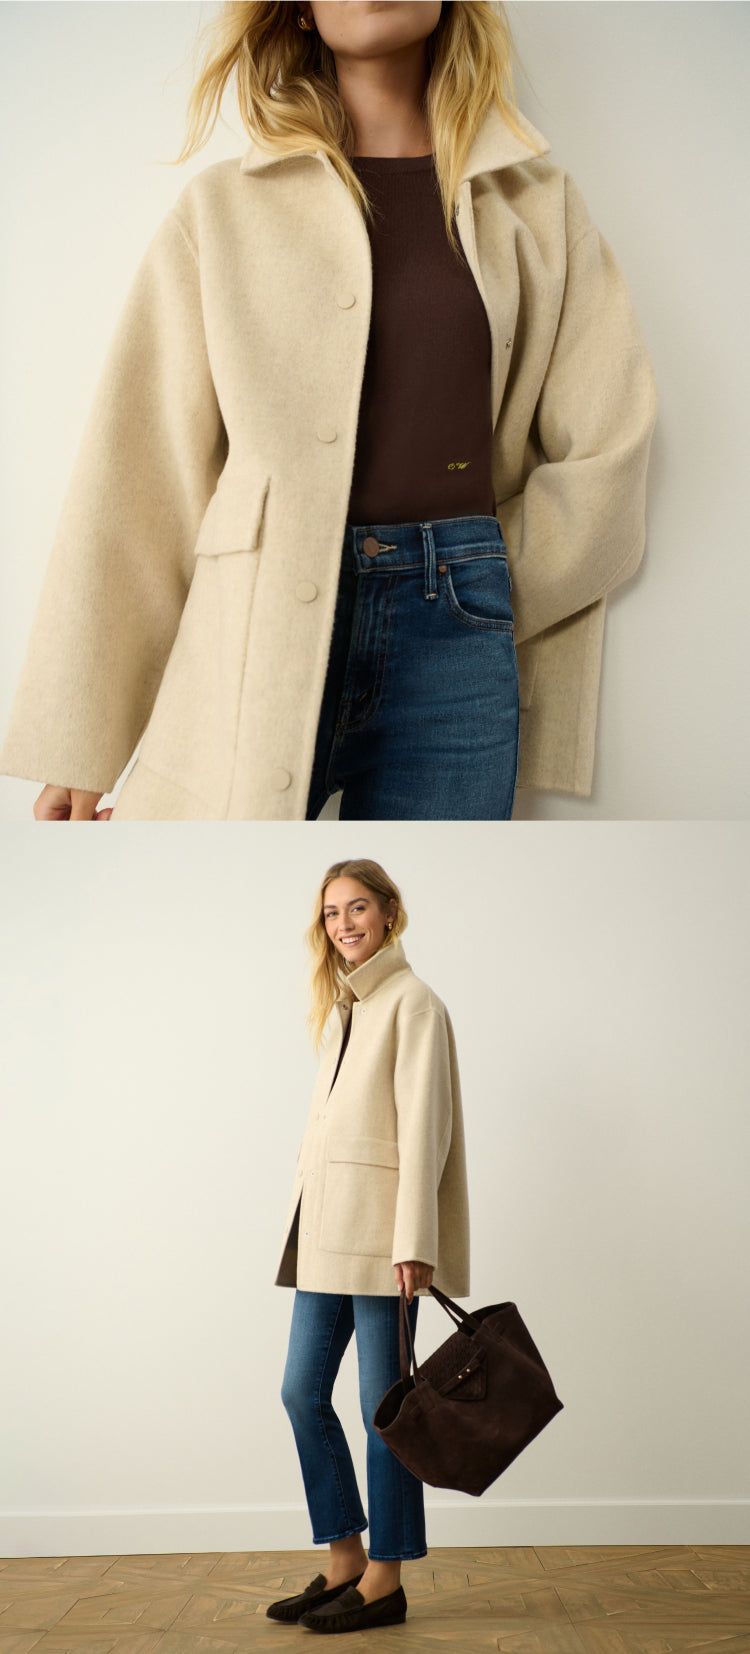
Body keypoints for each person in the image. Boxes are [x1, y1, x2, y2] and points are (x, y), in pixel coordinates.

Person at [0, 2, 657, 820]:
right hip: (261, 618)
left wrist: (483, 578)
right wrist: (82, 741)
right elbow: (137, 479)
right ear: (301, 15)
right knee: (235, 888)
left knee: (435, 876)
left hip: (457, 629)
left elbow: (610, 447)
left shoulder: (538, 206)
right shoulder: (223, 211)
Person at [267, 858, 469, 1634]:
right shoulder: (343, 1007)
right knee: (300, 1393)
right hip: (326, 1234)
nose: (345, 924)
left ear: (389, 913)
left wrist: (417, 1241)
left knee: (384, 1412)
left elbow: (425, 1133)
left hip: (386, 1243)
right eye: (331, 914)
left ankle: (386, 1578)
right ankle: (344, 1558)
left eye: (358, 908)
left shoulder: (413, 1003)